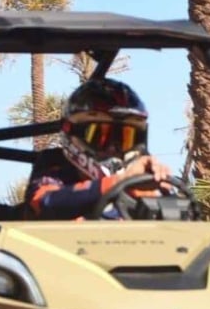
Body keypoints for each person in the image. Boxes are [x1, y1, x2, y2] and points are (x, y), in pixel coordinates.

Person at [23, 77, 173, 219]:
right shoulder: (54, 167)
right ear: (72, 133)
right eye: (101, 136)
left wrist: (160, 193)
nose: (113, 148)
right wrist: (120, 183)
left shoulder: (142, 181)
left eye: (125, 138)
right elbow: (45, 202)